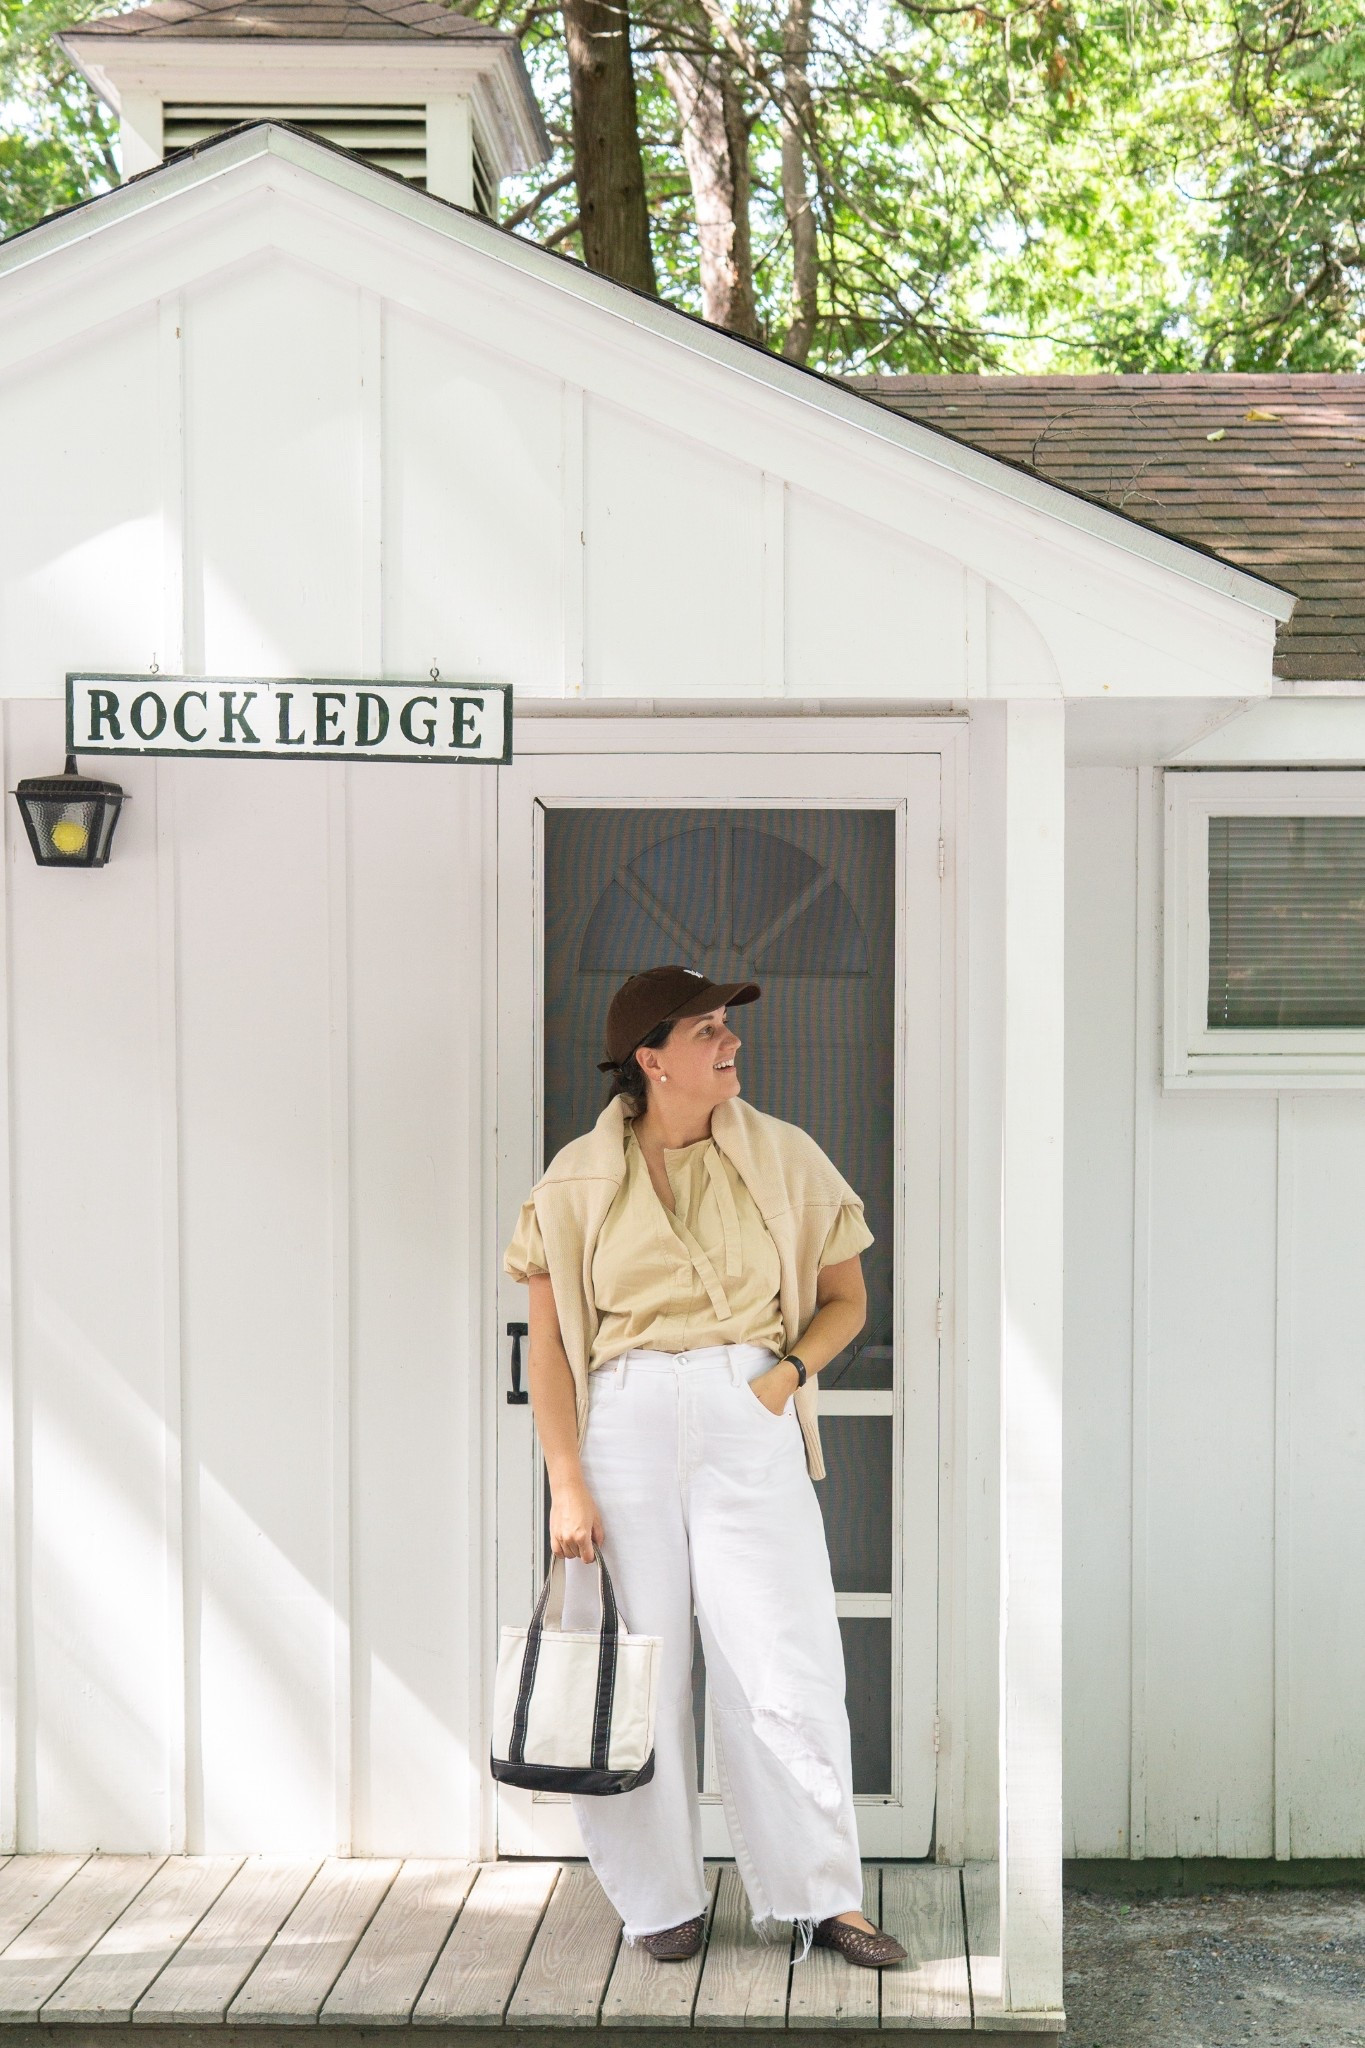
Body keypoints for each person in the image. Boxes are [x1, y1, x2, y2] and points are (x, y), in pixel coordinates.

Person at [502, 964, 907, 1970]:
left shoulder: (784, 1157)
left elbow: (844, 1299)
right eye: (708, 1029)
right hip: (624, 1418)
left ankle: (822, 1898)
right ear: (651, 1057)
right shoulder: (572, 1183)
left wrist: (781, 1379)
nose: (731, 1042)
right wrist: (566, 1479)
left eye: (729, 1025)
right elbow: (546, 1347)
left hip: (746, 1403)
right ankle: (656, 1902)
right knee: (639, 1667)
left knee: (784, 1653)